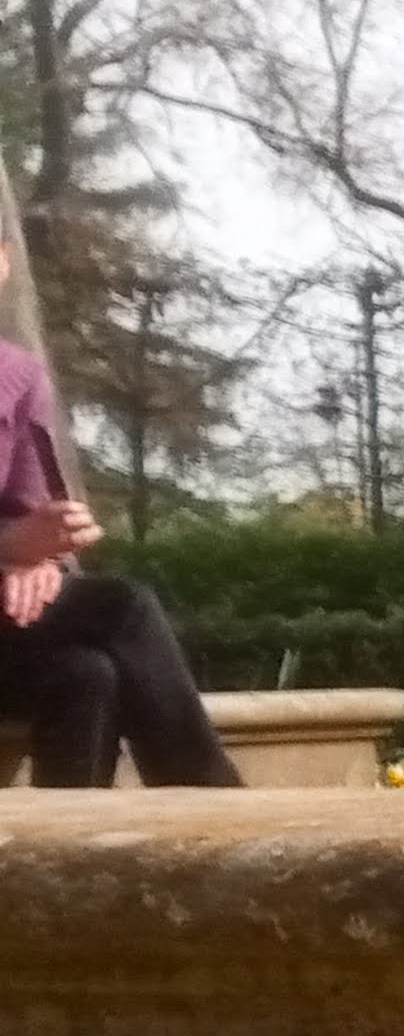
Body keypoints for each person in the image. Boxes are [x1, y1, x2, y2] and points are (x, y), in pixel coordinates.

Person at [0, 260, 233, 787]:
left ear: (6, 262)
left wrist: (46, 554)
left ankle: (70, 857)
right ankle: (212, 801)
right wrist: (11, 546)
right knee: (121, 606)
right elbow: (13, 535)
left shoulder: (18, 374)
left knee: (86, 673)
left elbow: (31, 506)